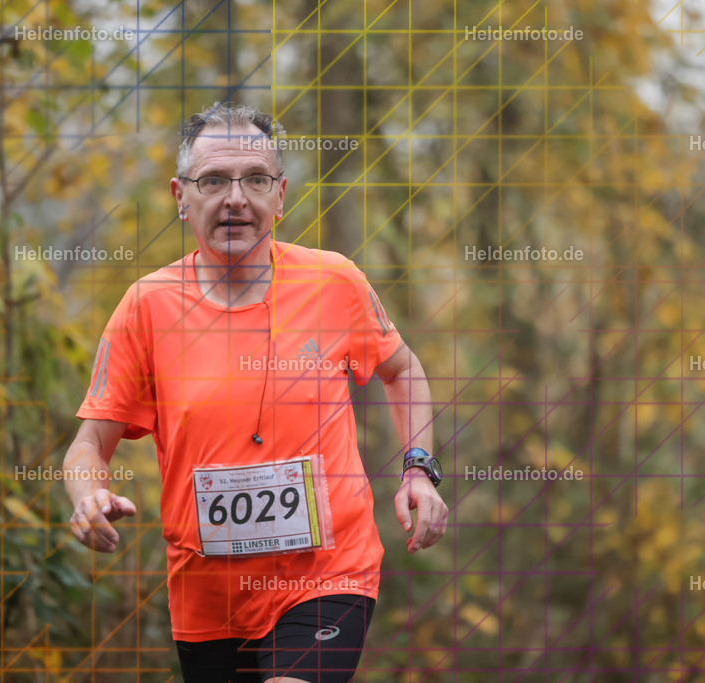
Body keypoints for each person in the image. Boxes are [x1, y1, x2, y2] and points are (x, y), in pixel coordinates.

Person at [62, 102, 448, 683]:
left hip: (327, 574)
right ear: (180, 196)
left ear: (281, 194)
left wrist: (418, 468)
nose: (235, 198)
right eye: (213, 180)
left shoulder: (335, 282)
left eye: (255, 180)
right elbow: (89, 442)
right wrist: (87, 496)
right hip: (208, 598)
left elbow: (403, 370)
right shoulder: (146, 306)